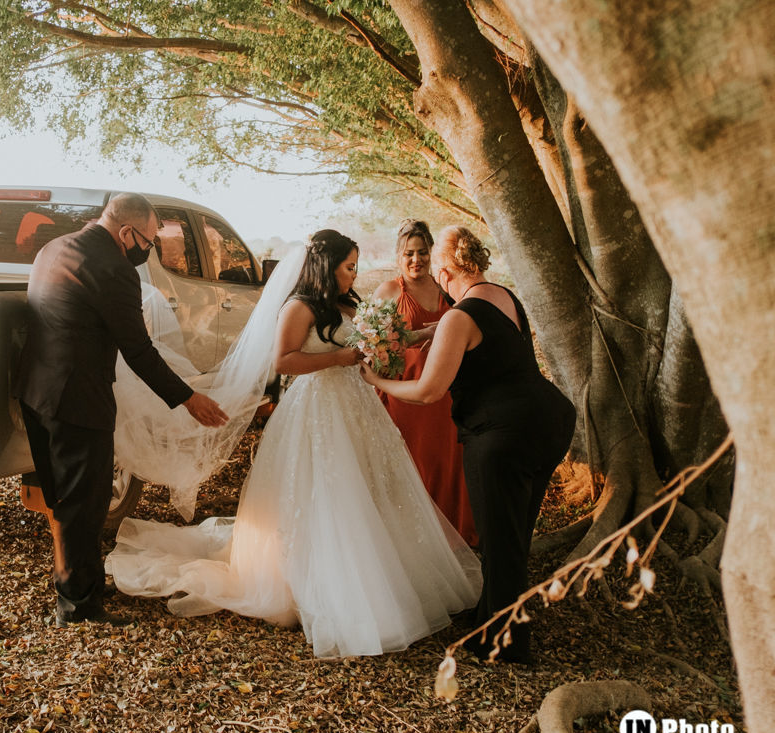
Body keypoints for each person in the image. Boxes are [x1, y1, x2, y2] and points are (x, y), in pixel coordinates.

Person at [106, 230, 481, 658]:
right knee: (327, 492)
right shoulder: (299, 306)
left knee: (367, 489)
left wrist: (425, 333)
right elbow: (283, 360)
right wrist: (338, 359)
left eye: (355, 266)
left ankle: (380, 575)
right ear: (327, 266)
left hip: (357, 407)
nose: (353, 274)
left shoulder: (347, 304)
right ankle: (323, 585)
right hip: (317, 409)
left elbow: (373, 343)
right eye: (349, 267)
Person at [13, 192, 229, 628]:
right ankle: (78, 606)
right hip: (77, 399)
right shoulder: (114, 269)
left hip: (36, 392)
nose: (148, 250)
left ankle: (80, 580)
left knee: (62, 497)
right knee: (85, 502)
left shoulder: (53, 247)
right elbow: (139, 352)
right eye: (148, 242)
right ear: (126, 232)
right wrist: (189, 398)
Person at [362, 226, 576, 664]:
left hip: (502, 434)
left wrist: (378, 382)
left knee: (499, 541)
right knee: (514, 533)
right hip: (551, 420)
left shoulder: (459, 317)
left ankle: (505, 645)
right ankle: (489, 616)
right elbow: (474, 331)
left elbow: (428, 391)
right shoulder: (502, 297)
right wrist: (421, 336)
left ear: (444, 271)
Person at [373, 219, 478, 546]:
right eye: (409, 254)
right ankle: (417, 542)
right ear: (399, 255)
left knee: (448, 461)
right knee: (415, 464)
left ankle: (454, 536)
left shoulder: (446, 289)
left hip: (447, 393)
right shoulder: (389, 292)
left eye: (422, 252)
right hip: (406, 397)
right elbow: (372, 346)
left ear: (431, 253)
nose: (416, 259)